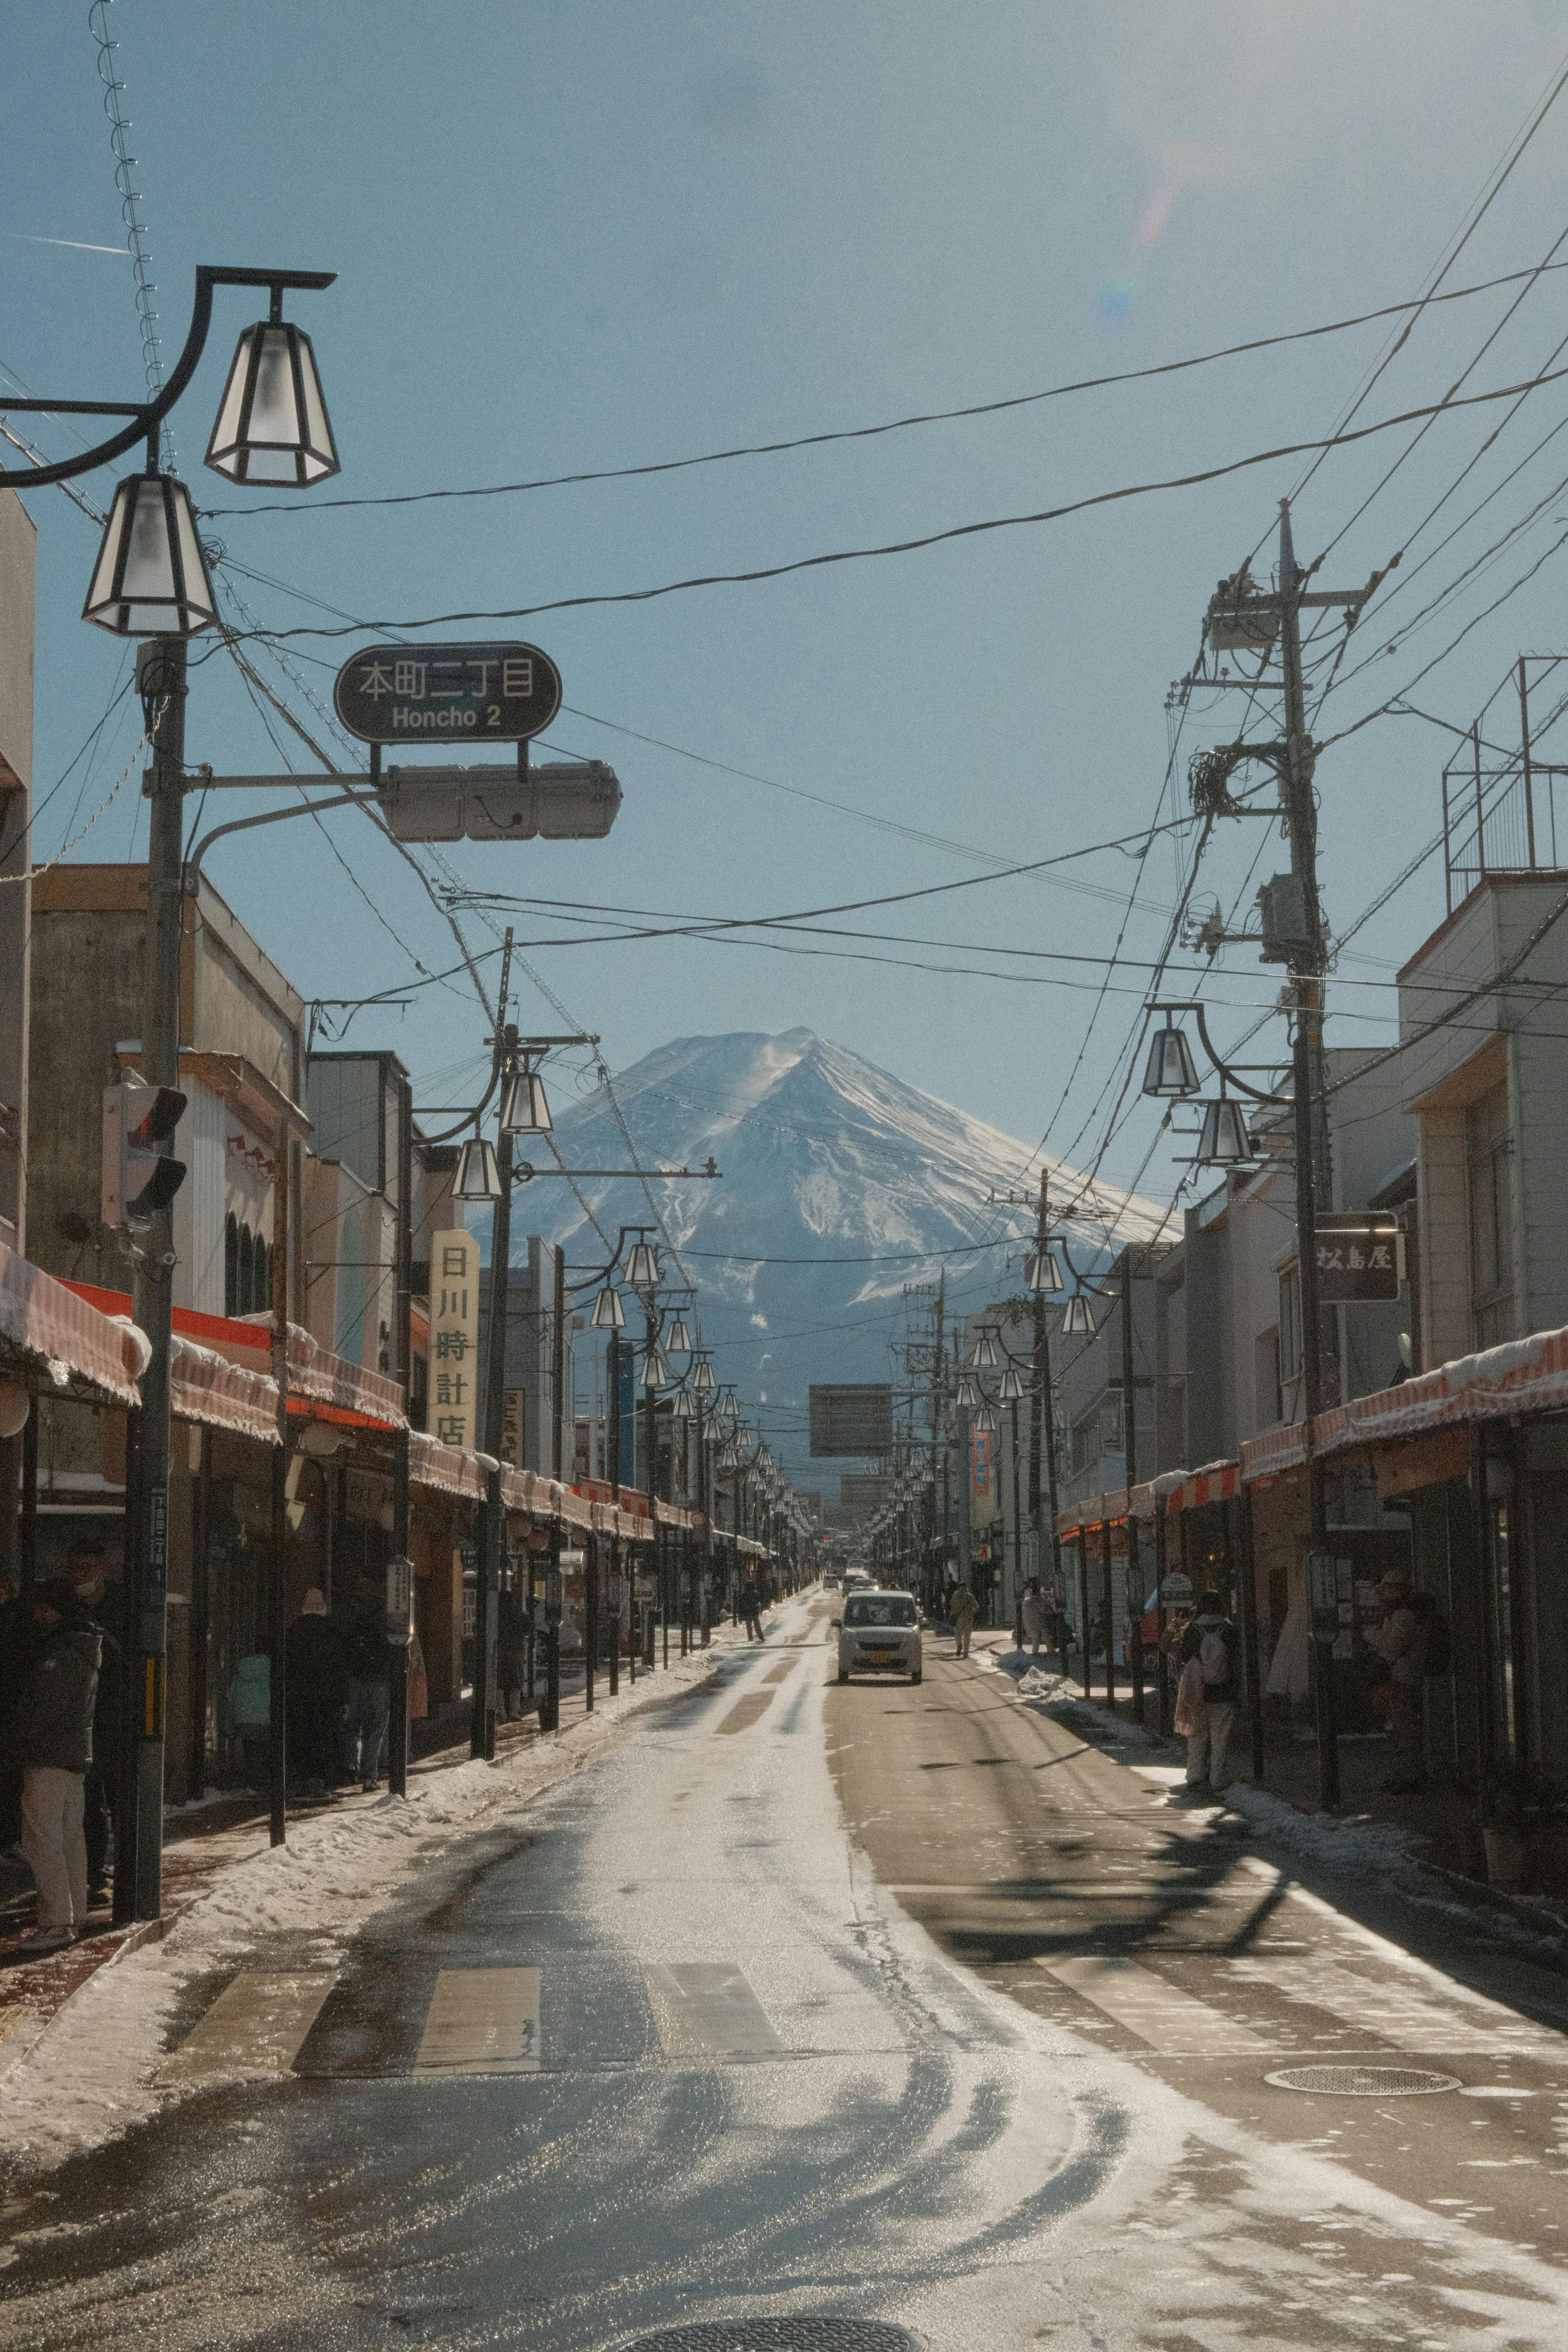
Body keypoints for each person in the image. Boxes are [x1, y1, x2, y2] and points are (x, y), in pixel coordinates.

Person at [9, 1578, 101, 1953]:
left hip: (47, 1755)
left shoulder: (58, 1654)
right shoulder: (85, 1648)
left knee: (41, 1840)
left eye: (45, 1608)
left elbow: (41, 1710)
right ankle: (74, 1913)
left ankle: (58, 1922)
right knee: (70, 1839)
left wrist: (17, 1740)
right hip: (75, 1756)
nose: (39, 1616)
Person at [284, 1588, 349, 1802]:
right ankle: (321, 1779)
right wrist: (343, 1698)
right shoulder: (332, 1631)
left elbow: (287, 1665)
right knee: (324, 1737)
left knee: (302, 1737)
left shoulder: (295, 1631)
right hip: (326, 1696)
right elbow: (340, 1667)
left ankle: (303, 1778)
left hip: (301, 1695)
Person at [1369, 1567, 1430, 1793]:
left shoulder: (1403, 1615)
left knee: (1407, 1730)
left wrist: (1377, 1645)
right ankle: (1408, 1775)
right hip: (1404, 1676)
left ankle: (1411, 1777)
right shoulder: (1400, 1614)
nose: (1382, 1593)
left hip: (1404, 1677)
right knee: (1403, 1729)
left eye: (1386, 1588)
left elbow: (1392, 1646)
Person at [1175, 1589, 1240, 1797]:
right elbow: (1236, 1661)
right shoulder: (1229, 1629)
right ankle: (1217, 1778)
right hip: (1223, 1691)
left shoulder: (1193, 1630)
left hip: (1198, 1692)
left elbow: (1184, 1656)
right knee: (1220, 1736)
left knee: (1197, 1736)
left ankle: (1194, 1775)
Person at [341, 1578, 392, 1792]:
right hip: (378, 1679)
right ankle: (369, 1776)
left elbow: (345, 1650)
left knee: (353, 1726)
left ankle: (351, 1768)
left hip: (355, 1679)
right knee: (375, 1728)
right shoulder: (385, 1615)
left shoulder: (351, 1617)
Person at [496, 1583, 530, 1721]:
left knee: (499, 1683)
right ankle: (514, 1711)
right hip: (516, 1653)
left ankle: (500, 1712)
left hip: (499, 1653)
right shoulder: (518, 1614)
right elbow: (529, 1628)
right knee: (515, 1682)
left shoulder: (495, 1615)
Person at [949, 1580, 978, 1659]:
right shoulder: (970, 1597)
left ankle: (959, 1645)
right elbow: (977, 1607)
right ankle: (966, 1653)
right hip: (969, 1618)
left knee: (958, 1633)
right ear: (966, 1587)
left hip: (960, 1618)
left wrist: (955, 1611)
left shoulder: (955, 1595)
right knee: (967, 1636)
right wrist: (972, 1612)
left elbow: (951, 1604)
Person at [1020, 1579, 1048, 1659]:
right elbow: (1043, 1610)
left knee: (1036, 1637)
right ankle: (1050, 1650)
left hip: (1031, 1622)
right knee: (1045, 1634)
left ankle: (1035, 1651)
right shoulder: (1037, 1602)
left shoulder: (1026, 1603)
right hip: (1039, 1621)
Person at [741, 1572, 764, 1642]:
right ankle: (761, 1636)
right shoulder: (756, 1594)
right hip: (754, 1612)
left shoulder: (744, 1594)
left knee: (749, 1627)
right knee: (757, 1626)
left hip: (747, 1613)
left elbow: (742, 1604)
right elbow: (759, 1602)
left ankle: (750, 1638)